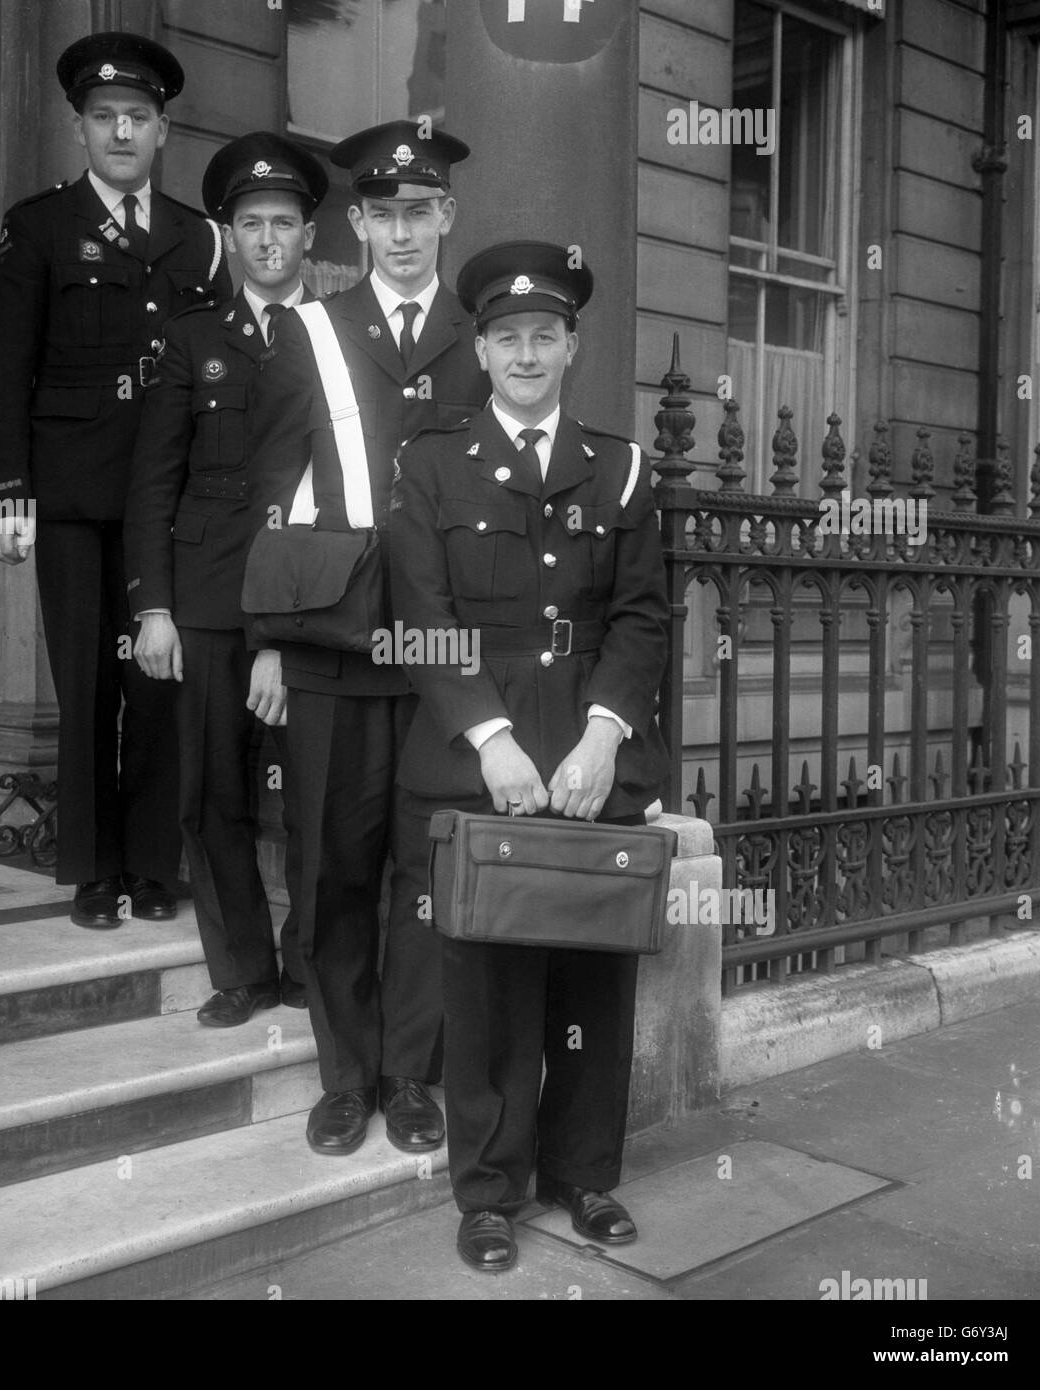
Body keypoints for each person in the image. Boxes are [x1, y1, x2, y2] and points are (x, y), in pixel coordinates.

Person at [388, 241, 670, 1272]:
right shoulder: (430, 463)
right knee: (491, 977)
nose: (525, 352)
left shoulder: (623, 465)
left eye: (543, 335)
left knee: (591, 968)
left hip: (591, 746)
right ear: (480, 346)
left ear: (570, 346)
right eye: (506, 336)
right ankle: (491, 1193)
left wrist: (603, 734)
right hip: (480, 750)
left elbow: (641, 618)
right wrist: (491, 738)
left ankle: (584, 1173)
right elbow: (421, 614)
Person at [245, 120, 488, 1156]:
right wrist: (264, 641)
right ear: (355, 221)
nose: (401, 232)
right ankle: (345, 1078)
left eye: (419, 212)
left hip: (443, 663)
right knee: (333, 869)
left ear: (448, 218)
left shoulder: (488, 335)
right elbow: (263, 492)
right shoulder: (310, 330)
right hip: (333, 653)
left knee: (427, 876)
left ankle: (411, 1073)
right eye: (382, 213)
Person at [0, 31, 230, 929]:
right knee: (84, 682)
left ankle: (153, 866)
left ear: (162, 131)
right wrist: (3, 493)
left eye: (138, 118)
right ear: (80, 127)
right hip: (73, 497)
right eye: (104, 117)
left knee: (159, 684)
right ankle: (92, 869)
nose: (121, 132)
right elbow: (5, 366)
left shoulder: (198, 241)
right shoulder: (39, 226)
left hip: (167, 502)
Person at [124, 133, 329, 1025]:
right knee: (211, 796)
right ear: (229, 235)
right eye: (252, 223)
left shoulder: (335, 338)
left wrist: (293, 630)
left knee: (320, 802)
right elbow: (152, 481)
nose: (270, 239)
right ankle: (241, 968)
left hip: (306, 598)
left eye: (285, 222)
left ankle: (311, 967)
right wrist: (153, 608)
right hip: (204, 600)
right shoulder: (190, 338)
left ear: (310, 236)